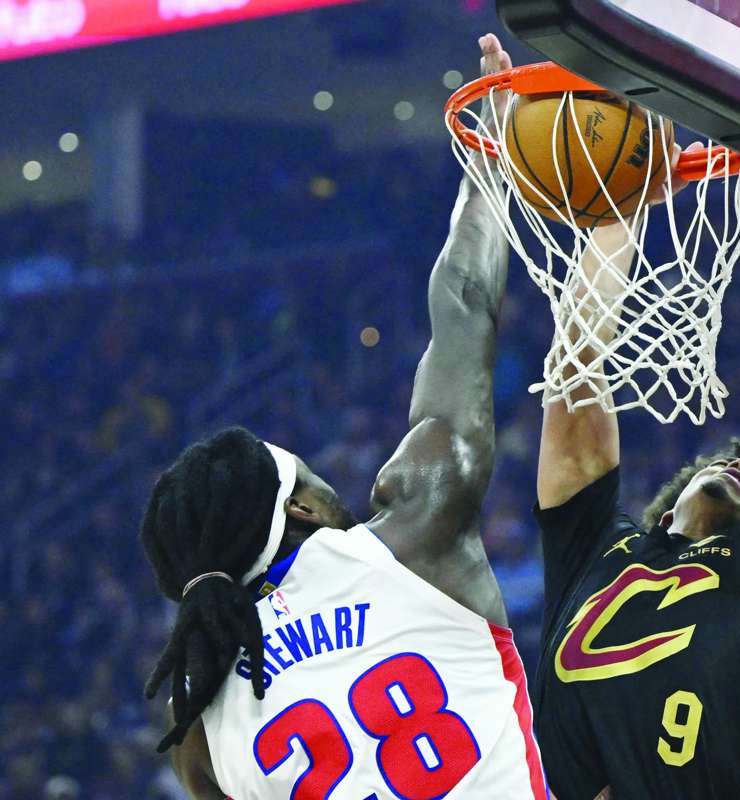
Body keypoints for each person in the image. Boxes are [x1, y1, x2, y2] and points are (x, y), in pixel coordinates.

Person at [139, 35, 549, 800]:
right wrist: (493, 154)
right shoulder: (412, 536)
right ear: (299, 504)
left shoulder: (198, 723)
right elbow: (463, 307)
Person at [532, 186, 740, 799]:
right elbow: (575, 363)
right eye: (737, 464)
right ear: (673, 498)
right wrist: (622, 201)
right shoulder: (594, 550)